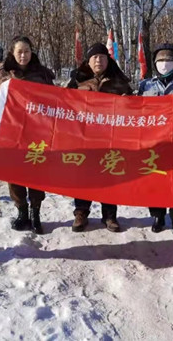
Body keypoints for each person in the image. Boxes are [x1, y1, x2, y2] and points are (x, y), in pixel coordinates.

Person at [0, 35, 55, 234]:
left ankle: (36, 212)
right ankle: (22, 211)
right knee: (14, 173)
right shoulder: (2, 73)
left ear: (32, 52)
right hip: (12, 131)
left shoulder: (42, 74)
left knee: (36, 172)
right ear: (12, 53)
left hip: (37, 131)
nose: (23, 55)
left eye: (27, 51)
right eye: (19, 52)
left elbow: (56, 100)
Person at [67, 42, 133, 232]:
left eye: (102, 57)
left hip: (110, 138)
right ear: (88, 61)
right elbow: (64, 104)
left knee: (109, 175)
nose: (98, 61)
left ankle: (110, 216)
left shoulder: (119, 81)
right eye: (95, 57)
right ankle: (81, 213)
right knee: (83, 176)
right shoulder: (77, 81)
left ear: (108, 60)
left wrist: (128, 103)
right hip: (84, 137)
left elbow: (133, 108)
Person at [138, 43, 173, 237]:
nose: (164, 63)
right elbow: (136, 110)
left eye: (169, 59)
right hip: (153, 141)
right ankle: (158, 216)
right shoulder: (146, 85)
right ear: (154, 63)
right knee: (155, 179)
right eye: (160, 60)